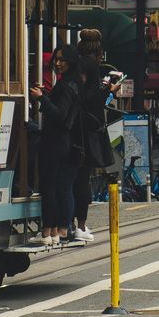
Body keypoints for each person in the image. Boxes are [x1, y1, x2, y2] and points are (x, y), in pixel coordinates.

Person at [28, 44, 82, 249]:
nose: (58, 63)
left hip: (54, 141)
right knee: (58, 187)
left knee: (48, 186)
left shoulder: (66, 86)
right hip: (64, 142)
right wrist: (47, 97)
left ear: (71, 61)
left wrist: (42, 99)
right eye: (56, 59)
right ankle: (57, 230)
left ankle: (48, 231)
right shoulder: (73, 84)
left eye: (62, 60)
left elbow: (60, 116)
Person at [67, 31, 113, 244]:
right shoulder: (92, 66)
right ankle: (81, 226)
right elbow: (92, 100)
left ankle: (69, 223)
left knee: (71, 178)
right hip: (85, 130)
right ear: (97, 50)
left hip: (70, 126)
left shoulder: (75, 63)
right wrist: (109, 90)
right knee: (83, 179)